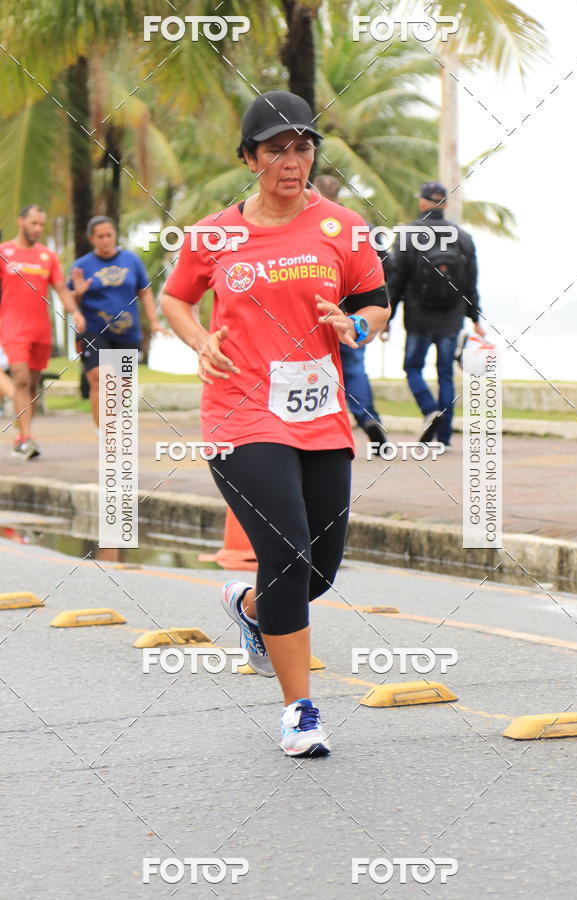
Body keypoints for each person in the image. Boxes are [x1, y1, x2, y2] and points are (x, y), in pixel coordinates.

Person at [161, 90, 390, 758]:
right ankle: (300, 711)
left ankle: (253, 610)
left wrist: (355, 326)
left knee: (319, 570)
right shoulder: (214, 235)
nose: (293, 162)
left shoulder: (342, 227)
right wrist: (199, 339)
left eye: (303, 146)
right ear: (250, 158)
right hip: (240, 412)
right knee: (287, 555)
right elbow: (177, 299)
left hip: (319, 415)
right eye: (276, 149)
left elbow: (375, 302)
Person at [388, 182, 485, 448]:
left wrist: (388, 316)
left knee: (413, 367)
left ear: (422, 203)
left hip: (418, 317)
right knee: (445, 374)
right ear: (445, 205)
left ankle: (430, 410)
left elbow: (397, 280)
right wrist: (475, 318)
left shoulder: (408, 234)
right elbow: (471, 282)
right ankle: (444, 438)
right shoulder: (463, 237)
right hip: (451, 319)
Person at [0, 204, 84, 459]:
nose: (38, 228)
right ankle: (27, 439)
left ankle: (20, 436)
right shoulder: (4, 252)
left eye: (41, 224)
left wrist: (76, 312)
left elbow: (60, 289)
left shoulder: (48, 256)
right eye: (34, 223)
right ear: (21, 221)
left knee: (33, 385)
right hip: (13, 327)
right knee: (21, 379)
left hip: (40, 330)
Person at [312, 174, 388, 453]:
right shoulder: (361, 226)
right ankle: (368, 419)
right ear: (340, 196)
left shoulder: (306, 224)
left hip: (316, 311)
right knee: (354, 368)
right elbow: (383, 271)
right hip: (355, 312)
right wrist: (380, 314)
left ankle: (323, 430)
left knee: (314, 369)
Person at [68, 216, 164, 425]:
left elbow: (145, 292)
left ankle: (112, 423)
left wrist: (154, 321)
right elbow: (70, 301)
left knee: (122, 387)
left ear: (115, 235)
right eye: (100, 236)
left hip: (127, 333)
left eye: (109, 235)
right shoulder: (81, 266)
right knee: (101, 379)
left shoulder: (131, 260)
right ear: (91, 238)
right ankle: (106, 434)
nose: (105, 240)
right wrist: (78, 293)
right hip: (94, 330)